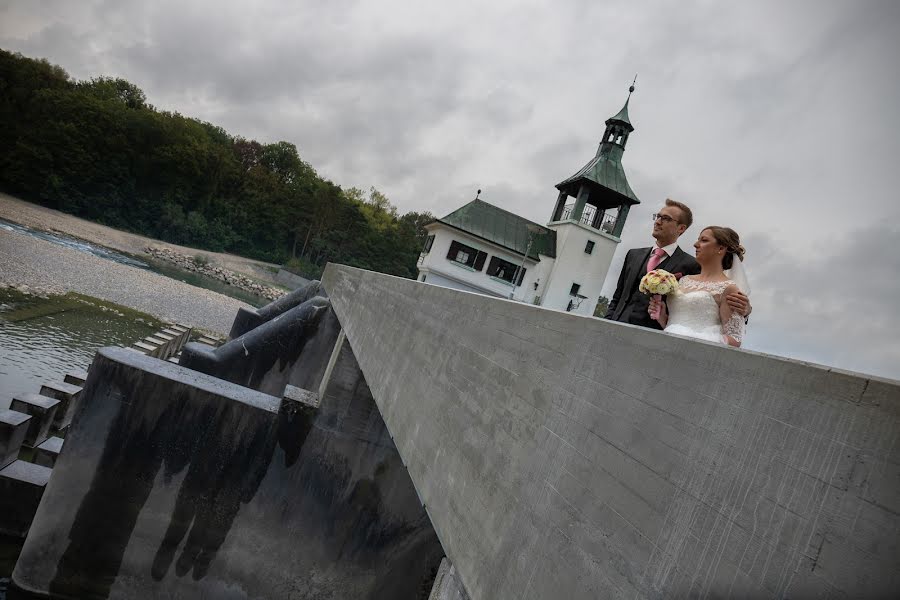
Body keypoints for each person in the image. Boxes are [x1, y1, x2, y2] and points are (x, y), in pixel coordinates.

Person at [605, 199, 749, 329]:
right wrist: (606, 323)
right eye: (658, 216)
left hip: (655, 336)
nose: (658, 221)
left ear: (681, 228)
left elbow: (712, 297)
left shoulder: (692, 264)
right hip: (616, 325)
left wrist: (746, 310)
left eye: (666, 218)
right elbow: (617, 297)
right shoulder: (633, 255)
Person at [648, 226, 748, 346]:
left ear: (721, 248)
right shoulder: (683, 280)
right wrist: (663, 318)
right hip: (666, 345)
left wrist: (694, 342)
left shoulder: (728, 288)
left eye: (704, 240)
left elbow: (734, 340)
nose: (696, 244)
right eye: (698, 240)